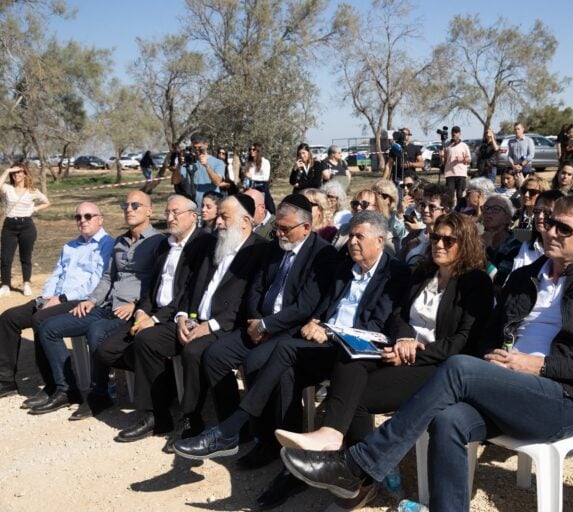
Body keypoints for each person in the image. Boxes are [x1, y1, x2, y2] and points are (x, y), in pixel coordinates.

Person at [279, 195, 573, 512]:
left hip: (561, 399)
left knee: (459, 368)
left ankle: (358, 465)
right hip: (505, 387)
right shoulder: (524, 277)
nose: (550, 231)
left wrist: (538, 365)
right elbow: (486, 337)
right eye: (549, 223)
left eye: (563, 228)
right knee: (448, 420)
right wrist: (497, 359)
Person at [175, 211, 410, 509]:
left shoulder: (395, 274)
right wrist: (316, 321)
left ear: (380, 240)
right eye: (350, 235)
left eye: (359, 236)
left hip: (361, 355)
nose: (351, 242)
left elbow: (378, 326)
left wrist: (329, 331)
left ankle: (231, 429)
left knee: (284, 349)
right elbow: (325, 306)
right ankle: (291, 465)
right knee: (284, 368)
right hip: (328, 347)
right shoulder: (344, 266)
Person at [272, 210, 493, 451]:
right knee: (352, 355)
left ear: (465, 243)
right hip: (401, 350)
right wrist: (404, 340)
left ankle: (362, 470)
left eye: (448, 240)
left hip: (439, 366)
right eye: (435, 238)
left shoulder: (476, 283)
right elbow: (400, 314)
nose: (439, 244)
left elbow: (462, 341)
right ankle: (333, 437)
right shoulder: (423, 274)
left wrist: (414, 352)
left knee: (355, 396)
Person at [187, 195, 338, 452]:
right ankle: (235, 432)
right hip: (258, 326)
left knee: (256, 362)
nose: (278, 233)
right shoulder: (274, 247)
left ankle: (268, 440)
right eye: (277, 226)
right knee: (215, 355)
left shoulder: (323, 255)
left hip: (289, 332)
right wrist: (257, 321)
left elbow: (305, 306)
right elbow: (256, 287)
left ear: (305, 227)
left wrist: (267, 326)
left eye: (285, 229)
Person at [117, 194, 266, 449]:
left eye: (224, 216)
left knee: (195, 350)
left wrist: (211, 325)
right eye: (218, 215)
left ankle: (193, 419)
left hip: (227, 326)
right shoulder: (214, 245)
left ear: (244, 221)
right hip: (195, 320)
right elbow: (191, 287)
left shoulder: (259, 251)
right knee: (146, 340)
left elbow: (249, 302)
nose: (217, 221)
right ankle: (155, 415)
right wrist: (183, 316)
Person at [33, 191, 164, 416]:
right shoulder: (120, 242)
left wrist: (136, 305)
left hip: (132, 312)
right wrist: (91, 300)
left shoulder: (158, 243)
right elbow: (107, 278)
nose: (129, 209)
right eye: (126, 205)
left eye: (135, 205)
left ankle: (99, 394)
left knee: (96, 332)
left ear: (149, 211)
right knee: (48, 328)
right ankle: (66, 389)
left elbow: (158, 282)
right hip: (106, 307)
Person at [93, 195, 212, 424]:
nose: (170, 217)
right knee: (106, 350)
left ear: (193, 216)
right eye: (167, 212)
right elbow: (151, 287)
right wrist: (141, 312)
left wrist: (155, 320)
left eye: (175, 213)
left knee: (144, 342)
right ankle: (164, 379)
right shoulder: (164, 245)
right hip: (153, 312)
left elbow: (188, 293)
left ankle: (154, 416)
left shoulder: (202, 245)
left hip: (180, 315)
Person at [0, 203, 114, 401]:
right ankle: (6, 381)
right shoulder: (70, 246)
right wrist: (46, 297)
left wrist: (61, 298)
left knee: (40, 319)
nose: (82, 221)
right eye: (78, 217)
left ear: (100, 219)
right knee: (9, 318)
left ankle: (57, 385)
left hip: (81, 300)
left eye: (88, 216)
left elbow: (95, 283)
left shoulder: (107, 244)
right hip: (55, 297)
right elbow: (56, 275)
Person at [0, 162, 51, 297]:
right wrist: (8, 170)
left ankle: (26, 283)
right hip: (9, 225)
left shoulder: (32, 191)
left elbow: (47, 202)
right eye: (15, 173)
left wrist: (34, 209)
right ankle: (5, 285)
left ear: (25, 174)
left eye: (20, 172)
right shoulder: (7, 188)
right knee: (5, 258)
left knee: (25, 257)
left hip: (26, 226)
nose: (17, 174)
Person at [399, 184, 454, 267]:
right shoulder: (413, 236)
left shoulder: (448, 241)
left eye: (432, 206)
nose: (425, 210)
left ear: (445, 210)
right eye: (423, 205)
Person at [509, 190, 564, 272]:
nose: (540, 216)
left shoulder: (565, 250)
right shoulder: (527, 245)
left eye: (547, 212)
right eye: (537, 211)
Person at [171, 133, 226, 208]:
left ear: (206, 145)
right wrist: (178, 165)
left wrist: (206, 166)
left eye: (200, 147)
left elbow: (217, 182)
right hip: (191, 208)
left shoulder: (218, 162)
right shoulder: (188, 161)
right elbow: (175, 181)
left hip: (210, 208)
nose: (197, 150)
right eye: (194, 148)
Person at [241, 142, 275, 214]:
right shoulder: (249, 163)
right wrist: (245, 183)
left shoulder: (265, 162)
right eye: (250, 149)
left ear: (258, 150)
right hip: (250, 188)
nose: (251, 151)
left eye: (254, 149)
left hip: (261, 188)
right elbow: (247, 177)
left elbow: (265, 177)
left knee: (267, 208)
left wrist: (252, 177)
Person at [372, 179, 406, 249]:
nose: (377, 198)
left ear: (390, 199)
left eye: (381, 195)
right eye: (374, 194)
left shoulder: (396, 218)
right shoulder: (370, 215)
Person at [441, 126, 472, 205]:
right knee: (450, 195)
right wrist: (441, 156)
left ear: (460, 134)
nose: (454, 133)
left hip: (461, 174)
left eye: (456, 132)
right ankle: (450, 211)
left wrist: (462, 159)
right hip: (450, 174)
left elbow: (469, 160)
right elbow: (444, 161)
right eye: (453, 132)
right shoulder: (447, 145)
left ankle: (460, 210)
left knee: (459, 195)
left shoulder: (464, 145)